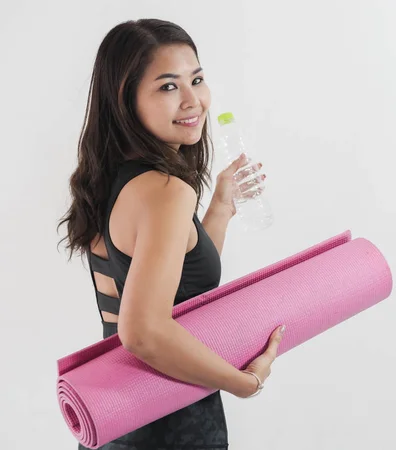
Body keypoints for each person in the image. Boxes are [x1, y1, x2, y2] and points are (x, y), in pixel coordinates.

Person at [57, 18, 285, 450]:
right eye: (167, 87)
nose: (192, 100)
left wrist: (219, 207)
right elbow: (143, 332)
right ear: (126, 101)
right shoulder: (165, 191)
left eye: (196, 79)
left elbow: (178, 293)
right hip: (170, 420)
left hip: (112, 414)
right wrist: (243, 382)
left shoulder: (108, 180)